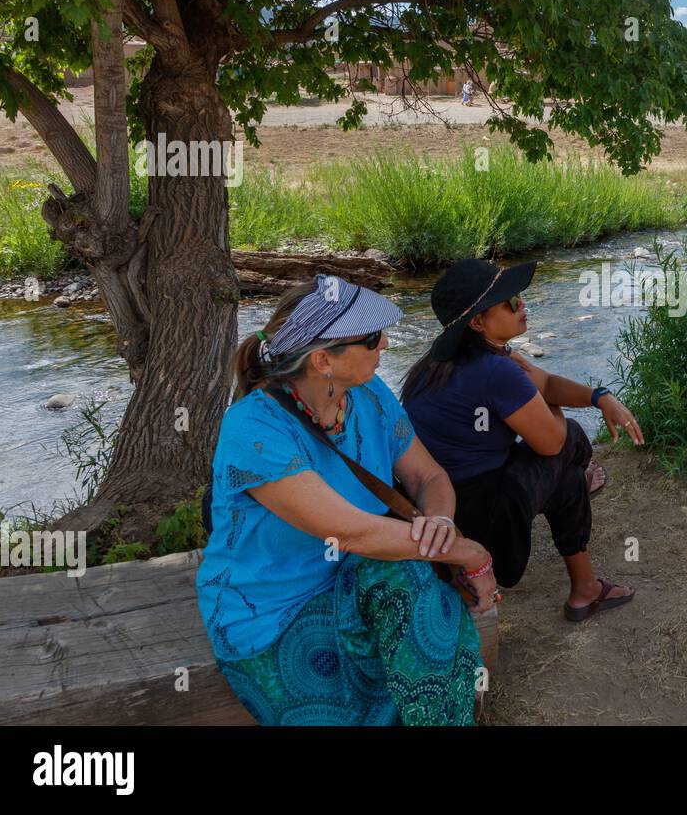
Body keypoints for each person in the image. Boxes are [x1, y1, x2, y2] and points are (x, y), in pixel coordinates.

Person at [197, 275, 493, 725]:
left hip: (364, 578)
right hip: (277, 610)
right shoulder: (253, 428)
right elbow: (355, 533)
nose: (387, 344)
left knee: (408, 577)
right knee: (410, 584)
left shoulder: (368, 393)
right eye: (372, 338)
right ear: (322, 361)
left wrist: (441, 524)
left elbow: (427, 474)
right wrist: (469, 553)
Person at [401, 259, 642, 621]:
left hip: (446, 510)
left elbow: (544, 384)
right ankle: (585, 588)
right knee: (570, 449)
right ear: (478, 321)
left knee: (567, 473)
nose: (522, 304)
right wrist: (549, 406)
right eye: (509, 301)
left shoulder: (438, 364)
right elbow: (553, 443)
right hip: (486, 524)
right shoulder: (496, 371)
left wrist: (599, 396)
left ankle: (585, 585)